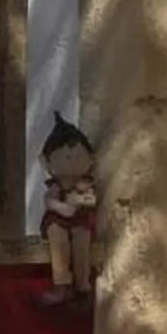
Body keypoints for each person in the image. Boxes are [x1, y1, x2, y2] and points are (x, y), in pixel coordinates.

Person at [40, 115, 98, 306]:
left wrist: (81, 201)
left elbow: (91, 200)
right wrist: (63, 207)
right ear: (47, 162)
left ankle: (83, 285)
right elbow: (49, 201)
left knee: (82, 242)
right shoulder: (57, 187)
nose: (72, 161)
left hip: (80, 221)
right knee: (58, 238)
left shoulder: (85, 185)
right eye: (66, 157)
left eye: (79, 156)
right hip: (58, 221)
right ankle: (62, 283)